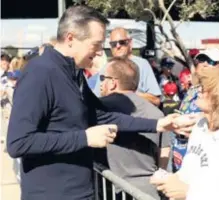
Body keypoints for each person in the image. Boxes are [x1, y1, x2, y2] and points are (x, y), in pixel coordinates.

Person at [6, 6, 197, 200]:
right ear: (71, 39)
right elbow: (18, 143)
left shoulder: (75, 74)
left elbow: (101, 115)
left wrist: (158, 124)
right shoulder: (40, 73)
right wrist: (84, 138)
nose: (99, 52)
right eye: (96, 44)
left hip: (82, 192)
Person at [151, 67, 219, 200]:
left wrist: (189, 193)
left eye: (205, 88)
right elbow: (191, 169)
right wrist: (170, 180)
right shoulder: (200, 127)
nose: (199, 91)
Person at [99, 57, 170, 199]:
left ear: (112, 82)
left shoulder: (100, 108)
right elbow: (164, 150)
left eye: (102, 78)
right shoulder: (156, 113)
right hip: (149, 190)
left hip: (113, 189)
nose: (100, 83)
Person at [108, 27, 162, 106]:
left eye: (122, 42)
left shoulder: (142, 65)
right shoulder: (106, 67)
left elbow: (156, 100)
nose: (118, 46)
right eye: (113, 44)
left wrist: (129, 95)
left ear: (130, 43)